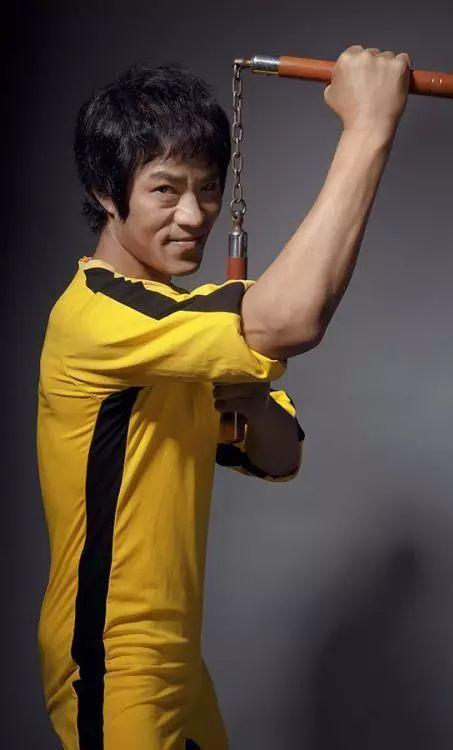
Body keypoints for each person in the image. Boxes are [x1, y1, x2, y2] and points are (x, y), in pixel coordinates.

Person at [36, 44, 410, 750]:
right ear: (105, 192)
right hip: (112, 661)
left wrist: (256, 404)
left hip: (177, 658)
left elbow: (281, 455)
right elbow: (292, 319)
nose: (194, 214)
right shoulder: (96, 316)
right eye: (165, 189)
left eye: (208, 188)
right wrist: (367, 129)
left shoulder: (175, 326)